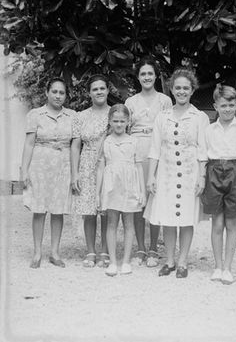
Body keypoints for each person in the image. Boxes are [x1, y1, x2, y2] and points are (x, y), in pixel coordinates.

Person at [144, 68, 209, 278]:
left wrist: (201, 177)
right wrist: (151, 176)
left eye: (186, 88)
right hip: (167, 173)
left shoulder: (199, 117)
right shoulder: (162, 117)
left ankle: (183, 262)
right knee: (168, 217)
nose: (182, 91)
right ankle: (170, 260)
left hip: (190, 173)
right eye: (178, 88)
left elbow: (203, 151)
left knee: (187, 217)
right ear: (172, 89)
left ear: (192, 91)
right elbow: (155, 149)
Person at [21, 77, 76, 268]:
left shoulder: (72, 116)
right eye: (55, 91)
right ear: (47, 92)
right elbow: (29, 144)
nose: (58, 96)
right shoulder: (35, 115)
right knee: (39, 209)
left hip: (63, 166)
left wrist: (74, 173)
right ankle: (37, 253)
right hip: (40, 166)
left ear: (66, 95)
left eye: (62, 93)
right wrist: (24, 170)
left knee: (58, 209)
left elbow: (75, 146)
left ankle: (54, 252)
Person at [202, 85, 236, 285]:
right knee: (217, 223)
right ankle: (217, 266)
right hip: (213, 172)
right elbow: (203, 158)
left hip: (235, 173)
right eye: (223, 105)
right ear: (216, 106)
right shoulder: (209, 130)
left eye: (231, 105)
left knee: (232, 223)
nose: (228, 109)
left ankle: (228, 269)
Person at [125, 57, 172, 267]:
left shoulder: (165, 100)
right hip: (136, 151)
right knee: (137, 200)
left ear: (156, 76)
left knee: (154, 198)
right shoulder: (130, 102)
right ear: (138, 77)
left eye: (150, 73)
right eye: (143, 74)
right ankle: (140, 247)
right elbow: (124, 131)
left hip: (158, 151)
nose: (146, 77)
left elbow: (169, 130)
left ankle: (153, 247)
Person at [95, 104, 146, 276]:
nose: (118, 124)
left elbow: (138, 167)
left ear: (128, 122)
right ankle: (113, 262)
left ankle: (125, 261)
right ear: (109, 121)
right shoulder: (106, 141)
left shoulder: (133, 141)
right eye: (115, 121)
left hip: (129, 186)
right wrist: (98, 193)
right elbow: (101, 168)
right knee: (111, 222)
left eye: (122, 121)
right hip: (111, 186)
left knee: (129, 223)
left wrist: (142, 192)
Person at [71, 74, 110, 268]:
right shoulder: (81, 116)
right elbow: (75, 146)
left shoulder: (115, 113)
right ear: (89, 93)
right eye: (95, 89)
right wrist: (74, 173)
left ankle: (104, 250)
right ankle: (90, 251)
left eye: (102, 88)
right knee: (89, 210)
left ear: (108, 90)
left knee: (106, 209)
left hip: (108, 164)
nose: (99, 92)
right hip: (86, 163)